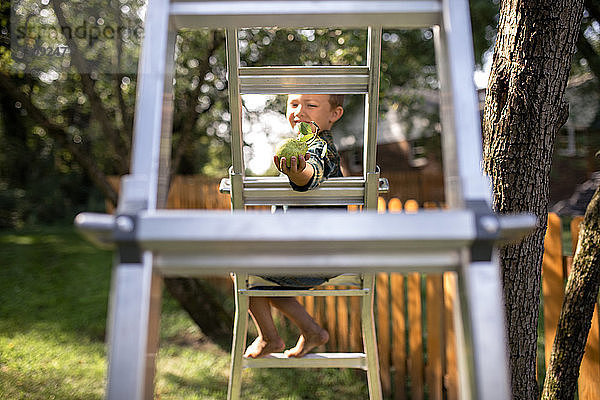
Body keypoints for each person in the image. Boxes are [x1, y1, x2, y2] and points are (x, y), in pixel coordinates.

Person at [243, 93, 345, 359]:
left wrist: (297, 172)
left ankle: (269, 338)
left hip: (313, 257)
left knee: (242, 270)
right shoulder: (303, 145)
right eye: (294, 104)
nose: (300, 111)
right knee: (266, 282)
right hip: (317, 255)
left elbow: (310, 174)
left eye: (311, 105)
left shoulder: (318, 147)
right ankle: (312, 332)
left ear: (334, 115)